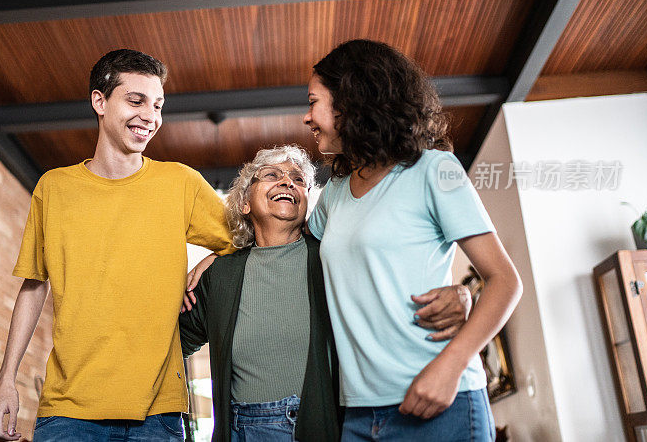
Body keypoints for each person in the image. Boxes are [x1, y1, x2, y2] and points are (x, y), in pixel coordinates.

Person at [0, 49, 235, 442]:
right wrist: (5, 381)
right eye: (135, 101)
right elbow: (34, 286)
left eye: (158, 105)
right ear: (99, 102)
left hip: (158, 414)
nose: (150, 116)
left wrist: (211, 260)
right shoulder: (54, 188)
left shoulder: (181, 184)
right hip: (68, 412)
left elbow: (248, 238)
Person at [303, 39, 523, 441]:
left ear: (350, 102)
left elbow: (505, 280)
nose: (307, 117)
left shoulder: (434, 169)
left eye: (314, 102)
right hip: (357, 415)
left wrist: (451, 366)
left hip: (440, 400)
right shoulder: (334, 193)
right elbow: (286, 248)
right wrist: (221, 257)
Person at [180, 146, 474, 442]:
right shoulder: (217, 275)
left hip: (323, 423)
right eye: (272, 175)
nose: (287, 182)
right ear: (244, 202)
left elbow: (394, 287)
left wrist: (461, 294)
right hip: (244, 428)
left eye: (298, 179)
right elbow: (174, 345)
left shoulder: (332, 258)